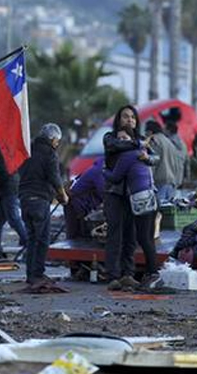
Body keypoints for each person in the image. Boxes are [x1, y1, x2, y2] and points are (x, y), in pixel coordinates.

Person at [103, 128, 163, 291]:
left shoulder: (127, 156)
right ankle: (153, 274)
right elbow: (156, 158)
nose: (122, 141)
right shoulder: (141, 152)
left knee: (143, 239)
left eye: (125, 138)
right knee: (148, 239)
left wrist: (104, 171)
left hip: (141, 200)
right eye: (119, 138)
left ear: (130, 140)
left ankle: (153, 274)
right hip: (152, 197)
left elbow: (115, 177)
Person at [18, 123, 68, 286]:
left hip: (25, 200)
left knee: (33, 238)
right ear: (52, 139)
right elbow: (55, 177)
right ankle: (37, 274)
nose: (57, 144)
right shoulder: (50, 154)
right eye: (57, 141)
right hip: (40, 201)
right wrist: (63, 195)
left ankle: (31, 275)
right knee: (42, 240)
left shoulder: (28, 150)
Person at [102, 105, 143, 290]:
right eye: (126, 117)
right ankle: (113, 275)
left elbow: (152, 158)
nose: (130, 120)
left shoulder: (139, 141)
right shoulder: (110, 138)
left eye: (133, 117)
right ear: (118, 119)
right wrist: (137, 145)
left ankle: (128, 274)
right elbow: (117, 145)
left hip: (134, 194)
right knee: (114, 235)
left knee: (131, 236)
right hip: (114, 193)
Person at [0, 129, 27, 257]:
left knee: (13, 218)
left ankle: (28, 241)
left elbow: (1, 172)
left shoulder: (1, 151)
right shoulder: (2, 149)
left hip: (8, 189)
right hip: (7, 189)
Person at [65, 157, 105, 239]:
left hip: (79, 204)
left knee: (78, 235)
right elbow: (104, 192)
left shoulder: (98, 168)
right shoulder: (99, 171)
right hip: (76, 205)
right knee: (76, 236)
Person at [144, 121, 179, 203]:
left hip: (159, 182)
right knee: (168, 212)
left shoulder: (154, 140)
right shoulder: (169, 142)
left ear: (150, 131)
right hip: (171, 183)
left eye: (146, 132)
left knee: (158, 212)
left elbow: (152, 162)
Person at [165, 121, 188, 190]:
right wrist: (186, 177)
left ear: (168, 130)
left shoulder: (167, 143)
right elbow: (187, 162)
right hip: (179, 178)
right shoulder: (183, 144)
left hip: (169, 178)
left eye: (165, 129)